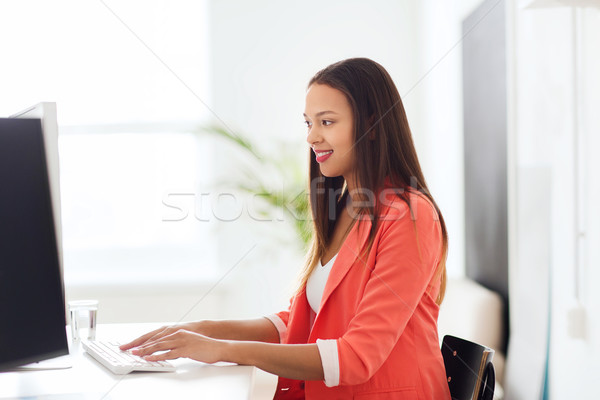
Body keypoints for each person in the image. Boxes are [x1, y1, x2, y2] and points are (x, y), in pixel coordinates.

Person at [121, 57, 451, 399]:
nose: (312, 136)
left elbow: (358, 356)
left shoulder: (410, 215)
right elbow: (298, 322)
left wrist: (221, 350)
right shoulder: (342, 206)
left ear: (372, 123)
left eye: (327, 122)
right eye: (308, 122)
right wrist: (202, 331)